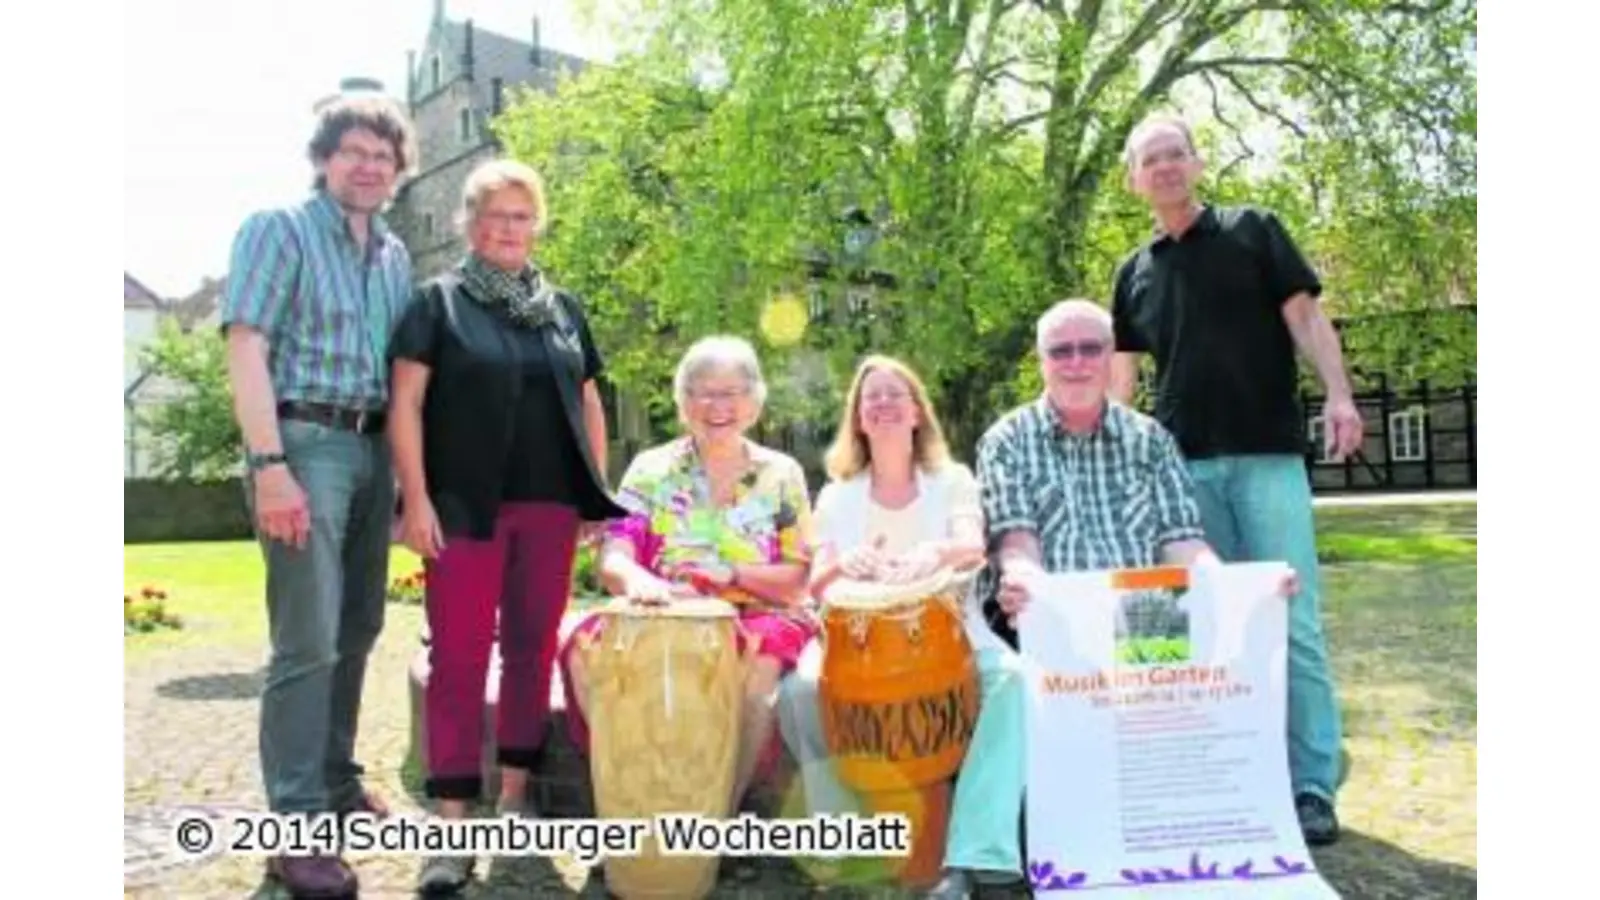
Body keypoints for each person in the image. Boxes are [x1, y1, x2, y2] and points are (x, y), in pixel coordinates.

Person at [970, 299, 1299, 898]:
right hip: (1057, 614)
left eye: (1090, 348)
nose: (1076, 362)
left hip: (1146, 613)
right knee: (1071, 739)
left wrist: (1239, 588)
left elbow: (1183, 541)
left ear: (1110, 356)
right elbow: (1016, 540)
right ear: (1041, 361)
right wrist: (1025, 583)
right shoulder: (1006, 440)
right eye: (1061, 351)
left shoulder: (1150, 439)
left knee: (1175, 728)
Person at [1108, 112, 1356, 845]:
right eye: (1150, 159)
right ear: (1134, 180)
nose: (1164, 167)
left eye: (1175, 154)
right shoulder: (1133, 271)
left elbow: (1306, 319)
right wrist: (1117, 454)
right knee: (1208, 625)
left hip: (1267, 456)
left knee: (1292, 620)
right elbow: (1123, 375)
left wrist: (1340, 394)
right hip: (1181, 471)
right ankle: (1234, 774)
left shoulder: (1255, 230)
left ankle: (1312, 784)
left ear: (1196, 162)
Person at [385, 158, 628, 894]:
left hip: (550, 508)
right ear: (469, 223)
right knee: (458, 660)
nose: (508, 228)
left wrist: (593, 491)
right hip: (463, 509)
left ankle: (517, 801)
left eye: (521, 216)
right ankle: (452, 824)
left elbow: (589, 401)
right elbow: (406, 405)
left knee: (531, 651)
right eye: (493, 215)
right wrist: (415, 499)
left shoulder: (563, 309)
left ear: (537, 225)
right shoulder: (436, 303)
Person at [219, 93, 417, 898]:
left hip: (374, 448)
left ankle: (335, 784)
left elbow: (401, 376)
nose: (368, 166)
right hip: (305, 443)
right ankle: (292, 830)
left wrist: (403, 479)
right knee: (306, 639)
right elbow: (246, 346)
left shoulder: (396, 255)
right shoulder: (278, 230)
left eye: (383, 156)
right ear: (324, 158)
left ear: (399, 171)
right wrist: (270, 464)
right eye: (354, 151)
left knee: (360, 625)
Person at [773, 355, 1028, 895]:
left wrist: (937, 551)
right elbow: (817, 582)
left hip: (950, 632)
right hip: (855, 641)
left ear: (917, 412)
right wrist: (847, 561)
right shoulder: (837, 494)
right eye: (872, 397)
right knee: (798, 693)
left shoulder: (952, 480)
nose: (884, 404)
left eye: (896, 394)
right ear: (859, 419)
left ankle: (979, 849)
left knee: (1011, 679)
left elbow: (971, 544)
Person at [556, 335, 817, 813]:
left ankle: (717, 813)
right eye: (702, 392)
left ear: (754, 402)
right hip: (661, 611)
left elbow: (797, 580)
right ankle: (635, 794)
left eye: (731, 392)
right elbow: (614, 555)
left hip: (755, 613)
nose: (717, 406)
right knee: (583, 648)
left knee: (760, 665)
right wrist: (641, 582)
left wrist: (731, 573)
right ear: (683, 403)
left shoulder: (781, 474)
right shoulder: (651, 469)